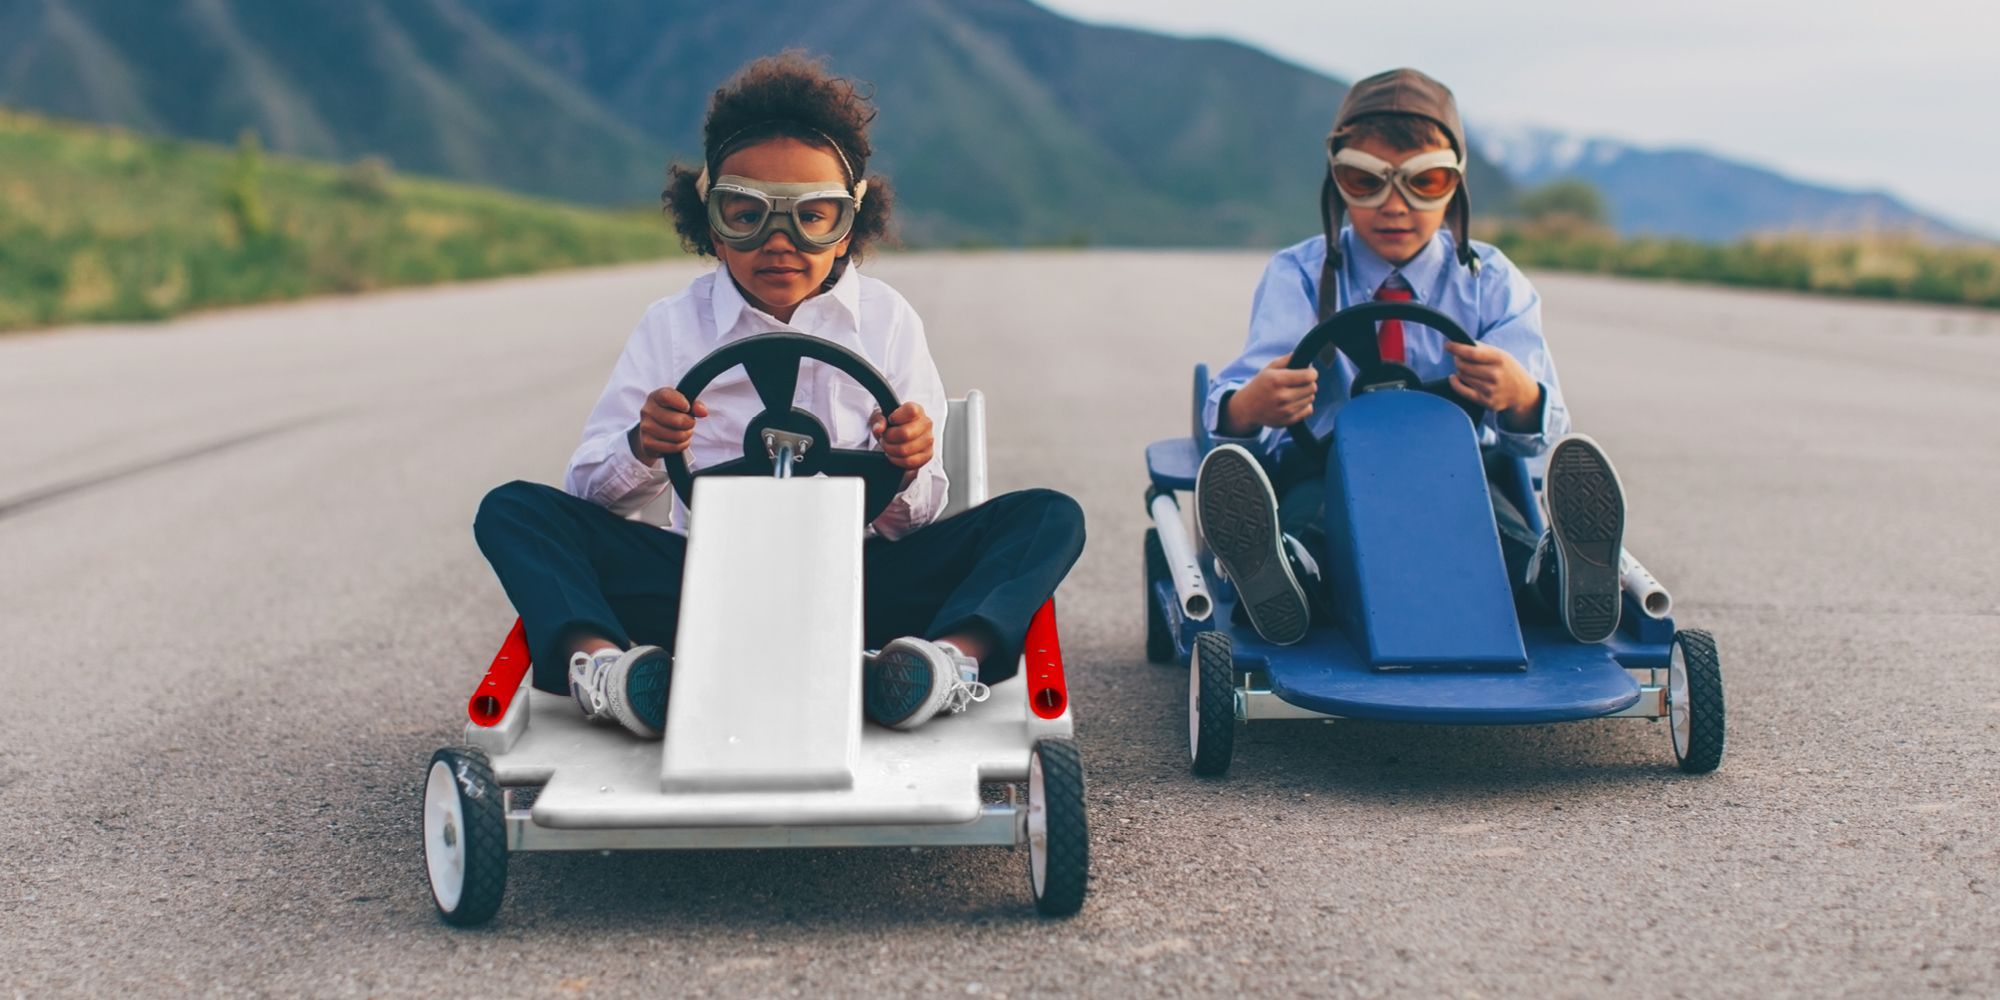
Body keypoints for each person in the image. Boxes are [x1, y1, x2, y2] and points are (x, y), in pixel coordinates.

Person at [473, 54, 1085, 738]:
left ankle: (938, 668)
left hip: (859, 586)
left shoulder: (887, 322)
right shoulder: (672, 327)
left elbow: (913, 524)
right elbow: (589, 500)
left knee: (1048, 517)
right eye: (747, 214)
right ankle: (609, 672)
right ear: (710, 221)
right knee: (514, 512)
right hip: (702, 587)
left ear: (848, 225)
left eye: (812, 217)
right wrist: (643, 446)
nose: (779, 242)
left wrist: (909, 461)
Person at [1195, 67, 1627, 647]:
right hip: (1325, 468)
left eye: (1424, 183)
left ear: (1456, 184)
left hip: (1462, 471)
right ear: (1336, 181)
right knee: (1312, 523)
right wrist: (1251, 405)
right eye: (1363, 180)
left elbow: (1537, 434)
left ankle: (1554, 574)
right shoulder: (1299, 275)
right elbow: (1241, 397)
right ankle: (1285, 574)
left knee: (1493, 529)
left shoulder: (1491, 281)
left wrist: (1520, 397)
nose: (1394, 206)